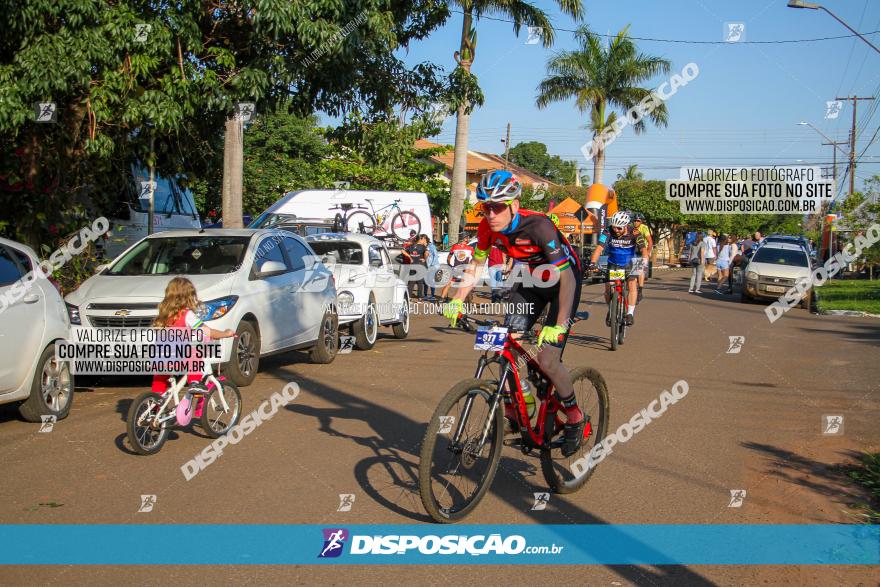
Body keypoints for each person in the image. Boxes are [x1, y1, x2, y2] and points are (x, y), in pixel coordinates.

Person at [442, 170, 586, 457]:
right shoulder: (486, 227)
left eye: (497, 206)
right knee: (503, 343)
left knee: (547, 357)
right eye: (486, 207)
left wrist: (557, 325)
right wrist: (458, 299)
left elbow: (567, 278)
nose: (491, 213)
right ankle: (523, 402)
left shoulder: (539, 226)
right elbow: (477, 266)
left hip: (563, 283)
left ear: (514, 205)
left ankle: (574, 416)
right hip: (530, 283)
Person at [151, 277, 235, 416]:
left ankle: (154, 408)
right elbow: (207, 331)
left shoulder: (163, 314)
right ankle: (195, 383)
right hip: (176, 358)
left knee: (159, 382)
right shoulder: (187, 315)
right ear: (188, 297)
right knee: (194, 353)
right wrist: (225, 333)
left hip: (159, 358)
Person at [589, 211, 648, 326]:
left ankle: (630, 313)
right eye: (615, 227)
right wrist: (593, 262)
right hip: (614, 263)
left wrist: (644, 262)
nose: (616, 230)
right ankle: (611, 309)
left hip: (630, 263)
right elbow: (599, 248)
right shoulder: (607, 231)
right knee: (608, 289)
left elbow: (643, 250)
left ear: (626, 225)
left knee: (631, 284)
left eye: (619, 228)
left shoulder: (635, 232)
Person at [440, 235, 474, 302]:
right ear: (464, 239)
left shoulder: (454, 247)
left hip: (456, 269)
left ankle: (441, 298)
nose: (468, 239)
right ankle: (467, 300)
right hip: (465, 269)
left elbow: (448, 258)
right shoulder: (470, 248)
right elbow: (474, 258)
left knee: (449, 284)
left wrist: (449, 264)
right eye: (467, 238)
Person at [633, 213, 653, 300]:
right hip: (631, 250)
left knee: (640, 271)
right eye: (634, 220)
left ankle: (640, 290)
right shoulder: (630, 227)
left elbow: (650, 241)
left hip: (641, 251)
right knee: (632, 272)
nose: (636, 222)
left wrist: (648, 252)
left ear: (641, 222)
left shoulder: (644, 228)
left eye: (638, 221)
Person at [424, 234, 439, 301]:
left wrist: (432, 265)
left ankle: (432, 295)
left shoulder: (431, 246)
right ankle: (425, 295)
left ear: (425, 240)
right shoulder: (424, 246)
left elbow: (435, 256)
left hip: (433, 266)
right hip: (427, 266)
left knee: (431, 281)